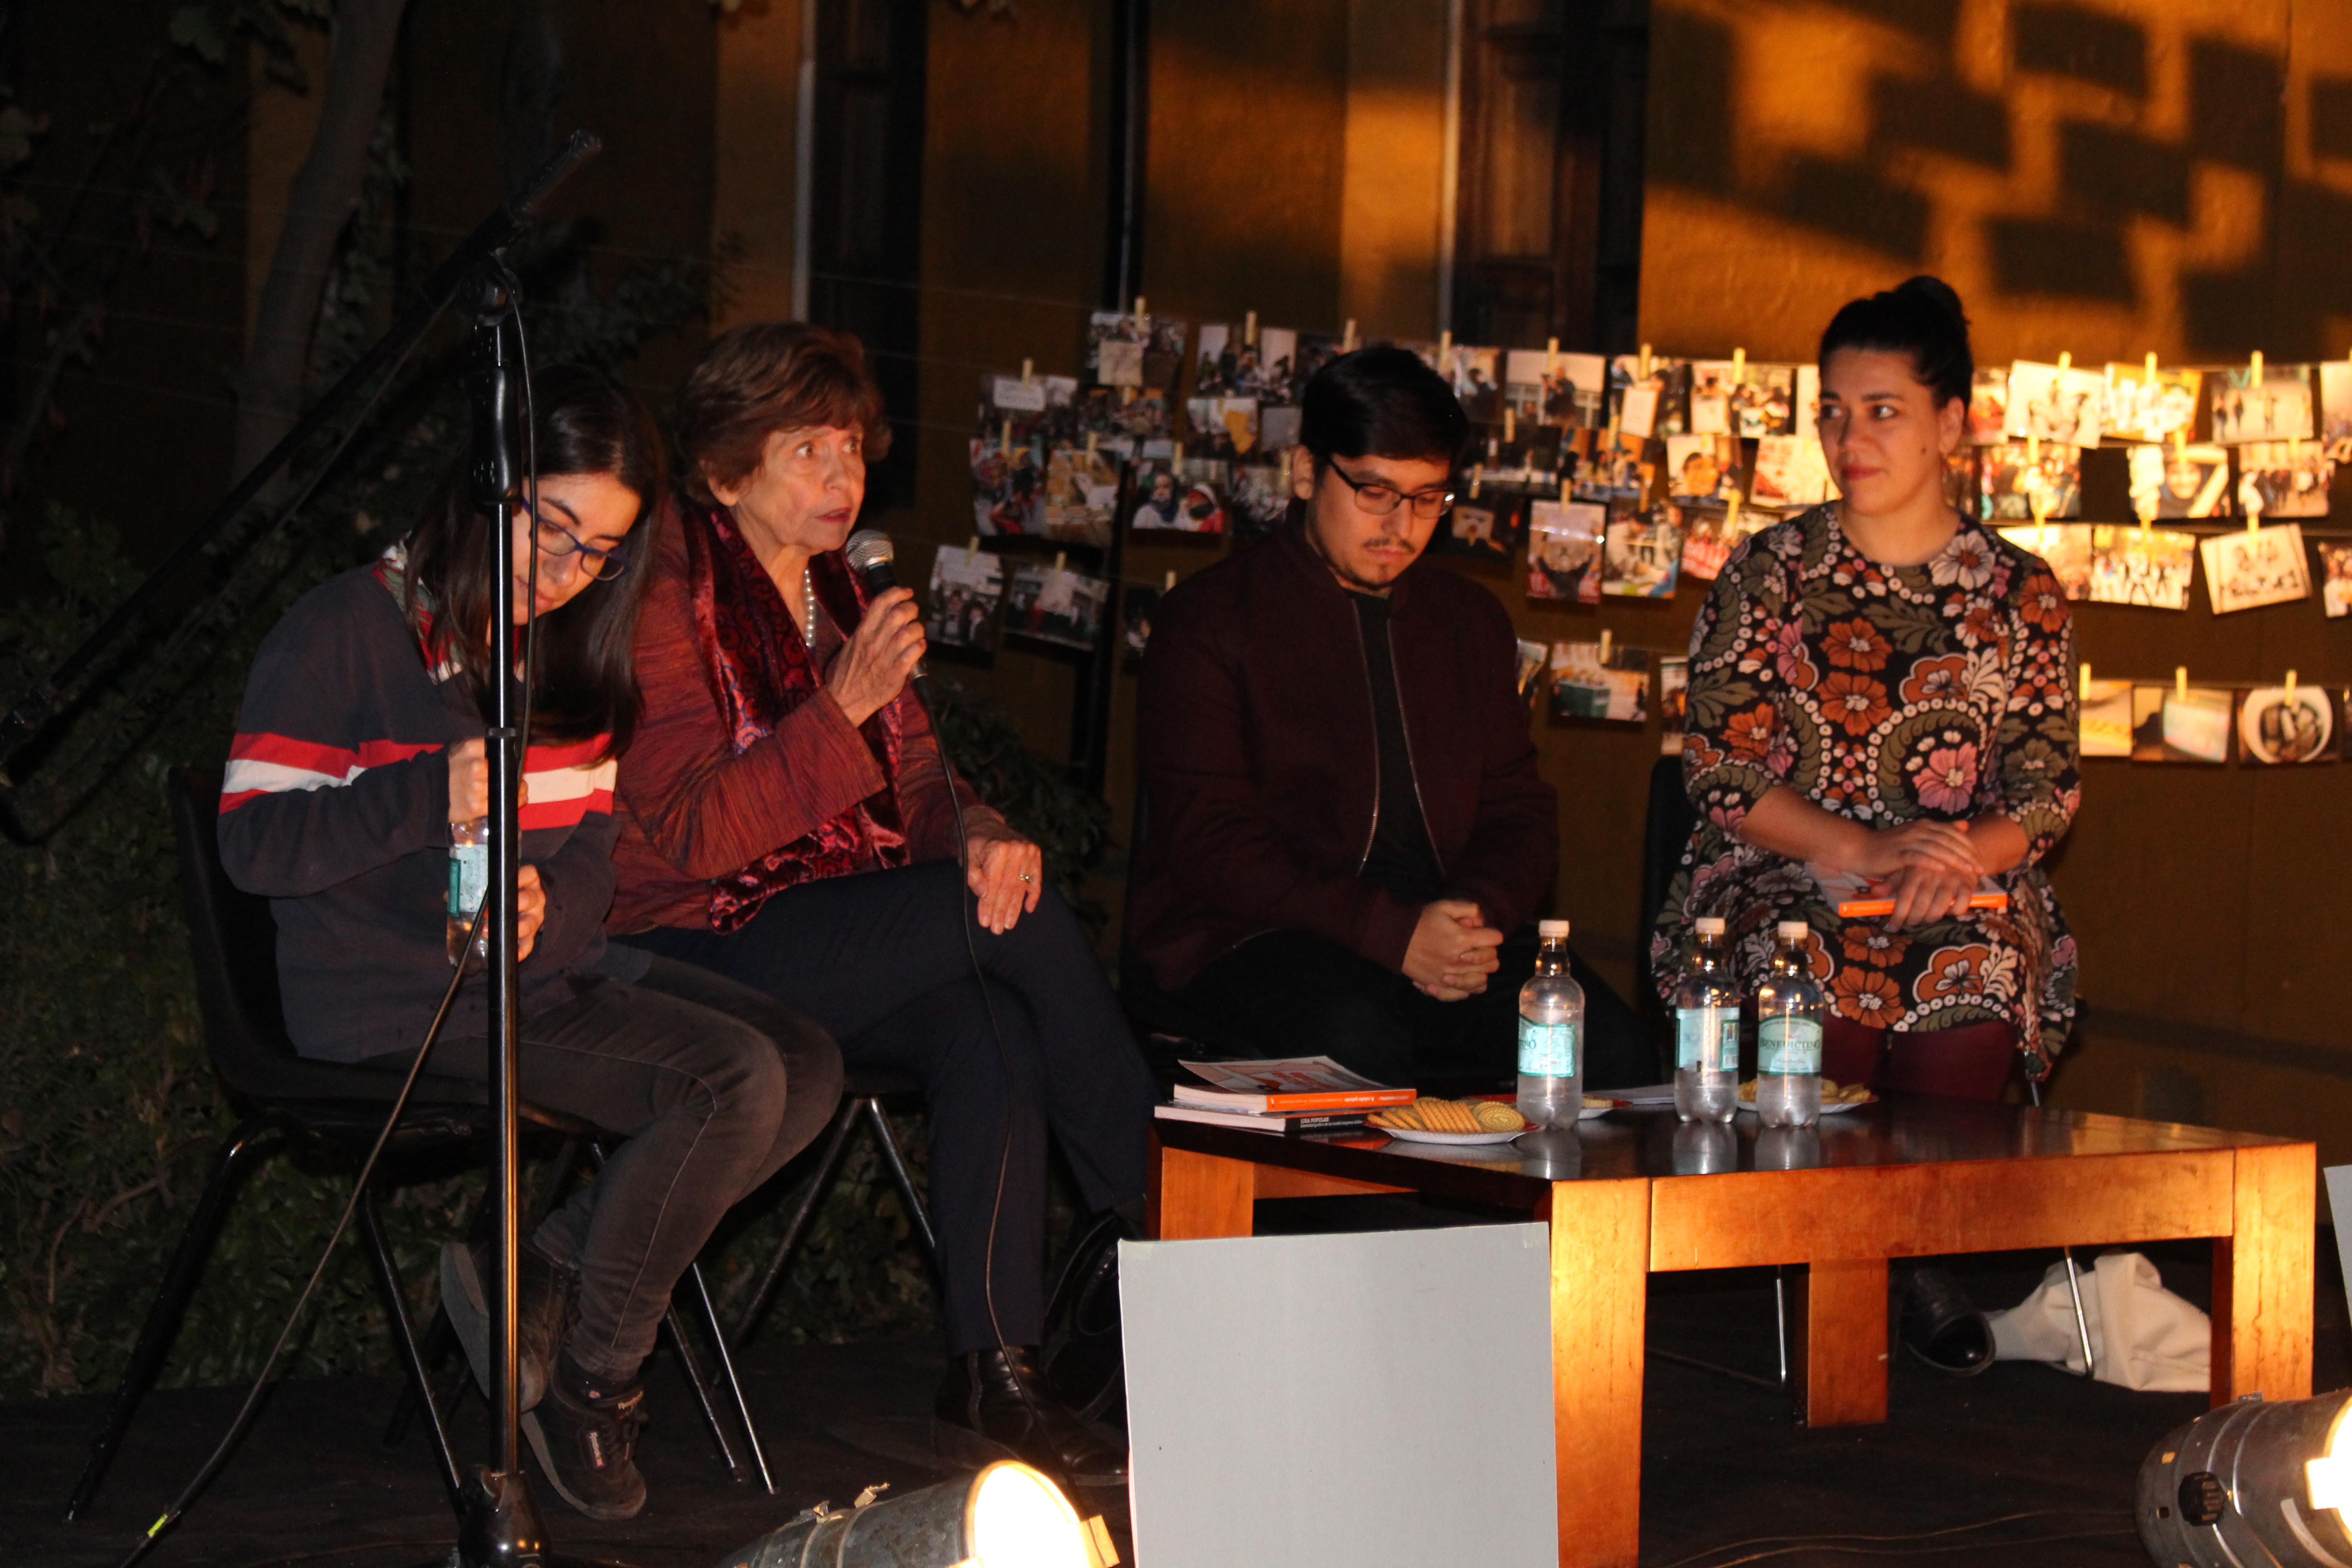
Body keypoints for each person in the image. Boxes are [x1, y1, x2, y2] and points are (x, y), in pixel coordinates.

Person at [217, 365, 841, 1521]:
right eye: (552, 531)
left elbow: (594, 840)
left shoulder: (564, 651)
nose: (566, 574)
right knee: (728, 1083)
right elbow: (253, 843)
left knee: (808, 1064)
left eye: (600, 552)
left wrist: (554, 895)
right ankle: (594, 1386)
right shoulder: (349, 631)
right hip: (401, 1001)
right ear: (485, 486)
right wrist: (420, 800)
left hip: (541, 973)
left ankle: (543, 1276)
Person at [605, 322, 1153, 1490]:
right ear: (724, 468)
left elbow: (920, 790)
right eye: (807, 450)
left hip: (831, 935)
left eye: (853, 448)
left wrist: (989, 833)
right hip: (694, 945)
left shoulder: (842, 593)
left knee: (988, 1012)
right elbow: (694, 837)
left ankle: (995, 1374)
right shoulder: (665, 595)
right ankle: (1158, 1220)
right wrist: (838, 711)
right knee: (1024, 931)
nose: (842, 478)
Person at [1130, 346, 1652, 1090]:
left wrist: (1473, 919)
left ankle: (1531, 1214)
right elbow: (1212, 841)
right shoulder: (1210, 621)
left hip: (1438, 936)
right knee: (1357, 1042)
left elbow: (1521, 810)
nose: (1402, 526)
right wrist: (1392, 933)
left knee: (1607, 1049)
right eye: (1374, 491)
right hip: (1254, 937)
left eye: (1428, 498)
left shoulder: (1468, 621)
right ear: (1309, 472)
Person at [1650, 276, 2080, 1098]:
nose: (1852, 436)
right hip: (1783, 868)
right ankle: (1789, 1215)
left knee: (1978, 973)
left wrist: (1946, 863)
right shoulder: (1771, 569)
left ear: (1950, 424)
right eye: (1834, 410)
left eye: (1883, 410)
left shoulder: (2020, 589)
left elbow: (2046, 790)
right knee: (1801, 964)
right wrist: (1865, 851)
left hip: (1958, 884)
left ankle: (1938, 1224)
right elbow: (1720, 769)